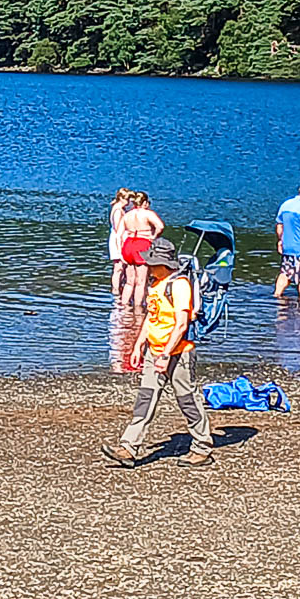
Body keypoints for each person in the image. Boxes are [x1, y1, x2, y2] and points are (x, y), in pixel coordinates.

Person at [101, 239, 213, 468]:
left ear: (165, 263)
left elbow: (181, 325)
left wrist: (165, 355)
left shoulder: (180, 285)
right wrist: (138, 344)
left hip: (178, 353)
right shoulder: (157, 284)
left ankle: (202, 447)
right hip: (155, 351)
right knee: (146, 399)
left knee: (187, 400)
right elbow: (152, 318)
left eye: (152, 263)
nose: (148, 267)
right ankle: (128, 447)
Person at [118, 192, 164, 308]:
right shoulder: (147, 214)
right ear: (144, 202)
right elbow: (160, 226)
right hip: (142, 244)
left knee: (129, 281)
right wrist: (153, 236)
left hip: (128, 245)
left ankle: (123, 307)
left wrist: (120, 252)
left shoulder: (127, 215)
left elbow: (119, 235)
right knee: (141, 282)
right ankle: (137, 309)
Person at [108, 188, 133, 299]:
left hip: (120, 238)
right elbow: (119, 229)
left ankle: (119, 288)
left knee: (121, 266)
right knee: (118, 267)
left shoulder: (120, 209)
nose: (128, 202)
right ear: (121, 198)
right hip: (118, 239)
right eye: (127, 199)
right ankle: (116, 290)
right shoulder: (118, 210)